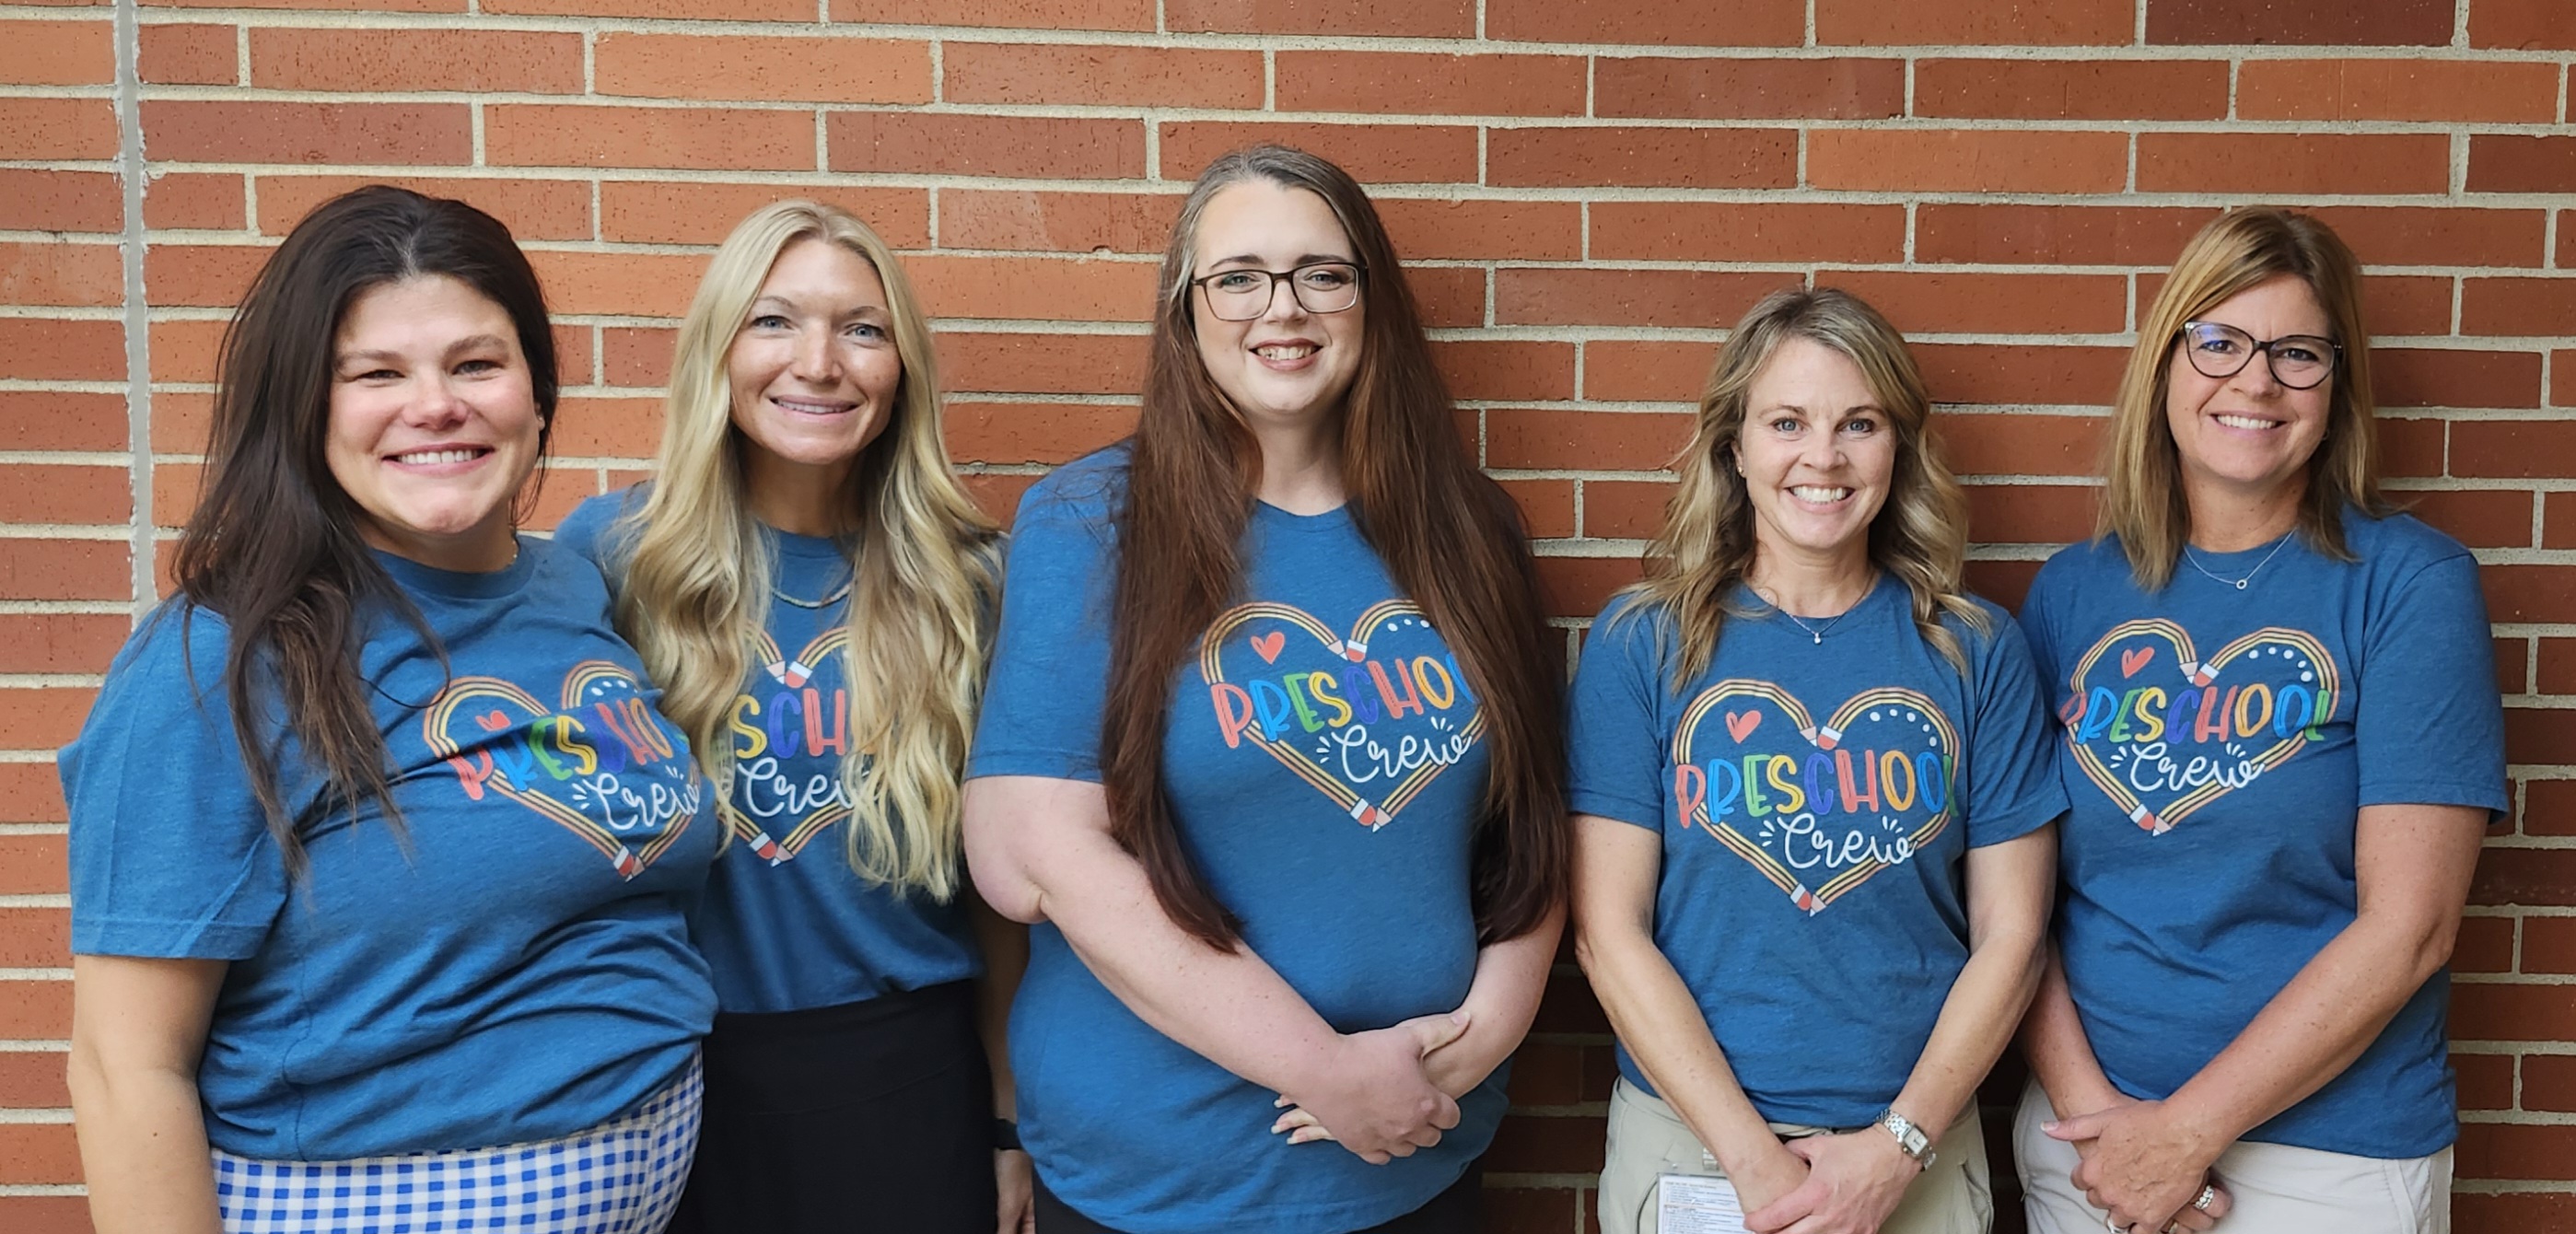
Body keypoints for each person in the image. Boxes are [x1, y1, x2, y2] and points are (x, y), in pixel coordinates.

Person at [62, 185, 719, 1234]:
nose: (435, 404)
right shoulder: (223, 656)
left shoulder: (574, 588)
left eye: (475, 363)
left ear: (537, 394)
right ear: (305, 408)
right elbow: (123, 1060)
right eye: (375, 373)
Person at [961, 145, 1568, 1234]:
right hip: (1161, 1171)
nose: (1280, 307)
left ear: (1369, 300)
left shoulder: (1470, 529)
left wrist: (1494, 1019)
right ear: (1184, 311)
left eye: (1321, 273)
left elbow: (1529, 821)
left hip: (1419, 1153)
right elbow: (1031, 854)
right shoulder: (1093, 522)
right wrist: (1322, 1068)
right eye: (1237, 276)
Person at [2014, 207, 2508, 1234]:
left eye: (2295, 352)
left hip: (2327, 1156)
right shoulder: (2071, 593)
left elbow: (2409, 925)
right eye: (2219, 341)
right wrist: (2097, 1118)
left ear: (2337, 384)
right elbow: (2017, 907)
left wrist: (2187, 1131)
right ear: (2165, 364)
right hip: (2089, 1145)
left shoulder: (2408, 585)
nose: (2253, 382)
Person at [550, 200, 1023, 1233]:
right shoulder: (611, 557)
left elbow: (1001, 894)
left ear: (901, 371)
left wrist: (1005, 1123)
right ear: (717, 349)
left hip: (904, 1079)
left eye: (863, 328)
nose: (819, 361)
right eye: (773, 321)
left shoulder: (970, 583)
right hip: (669, 1080)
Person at [1570, 287, 2065, 1234]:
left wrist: (1895, 1148)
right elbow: (1607, 929)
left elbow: (2013, 936)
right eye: (1787, 421)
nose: (1823, 457)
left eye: (1859, 423)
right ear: (1736, 445)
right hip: (1695, 1146)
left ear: (1899, 447)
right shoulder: (1644, 641)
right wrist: (1756, 1165)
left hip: (1911, 1151)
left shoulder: (1974, 649)